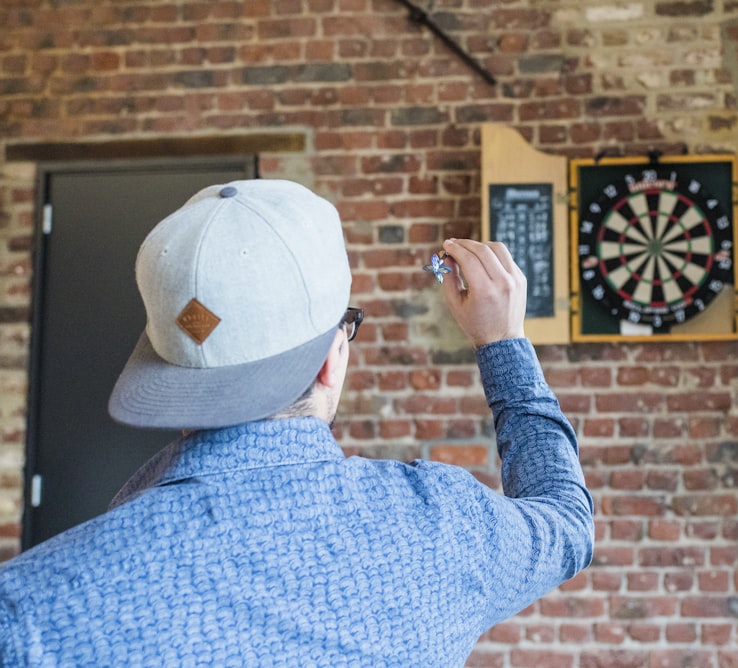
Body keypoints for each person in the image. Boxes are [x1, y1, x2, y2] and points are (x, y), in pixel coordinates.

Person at [0, 179, 594, 666]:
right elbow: (566, 520)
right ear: (333, 359)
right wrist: (502, 341)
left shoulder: (26, 612)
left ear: (165, 372)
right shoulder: (443, 527)